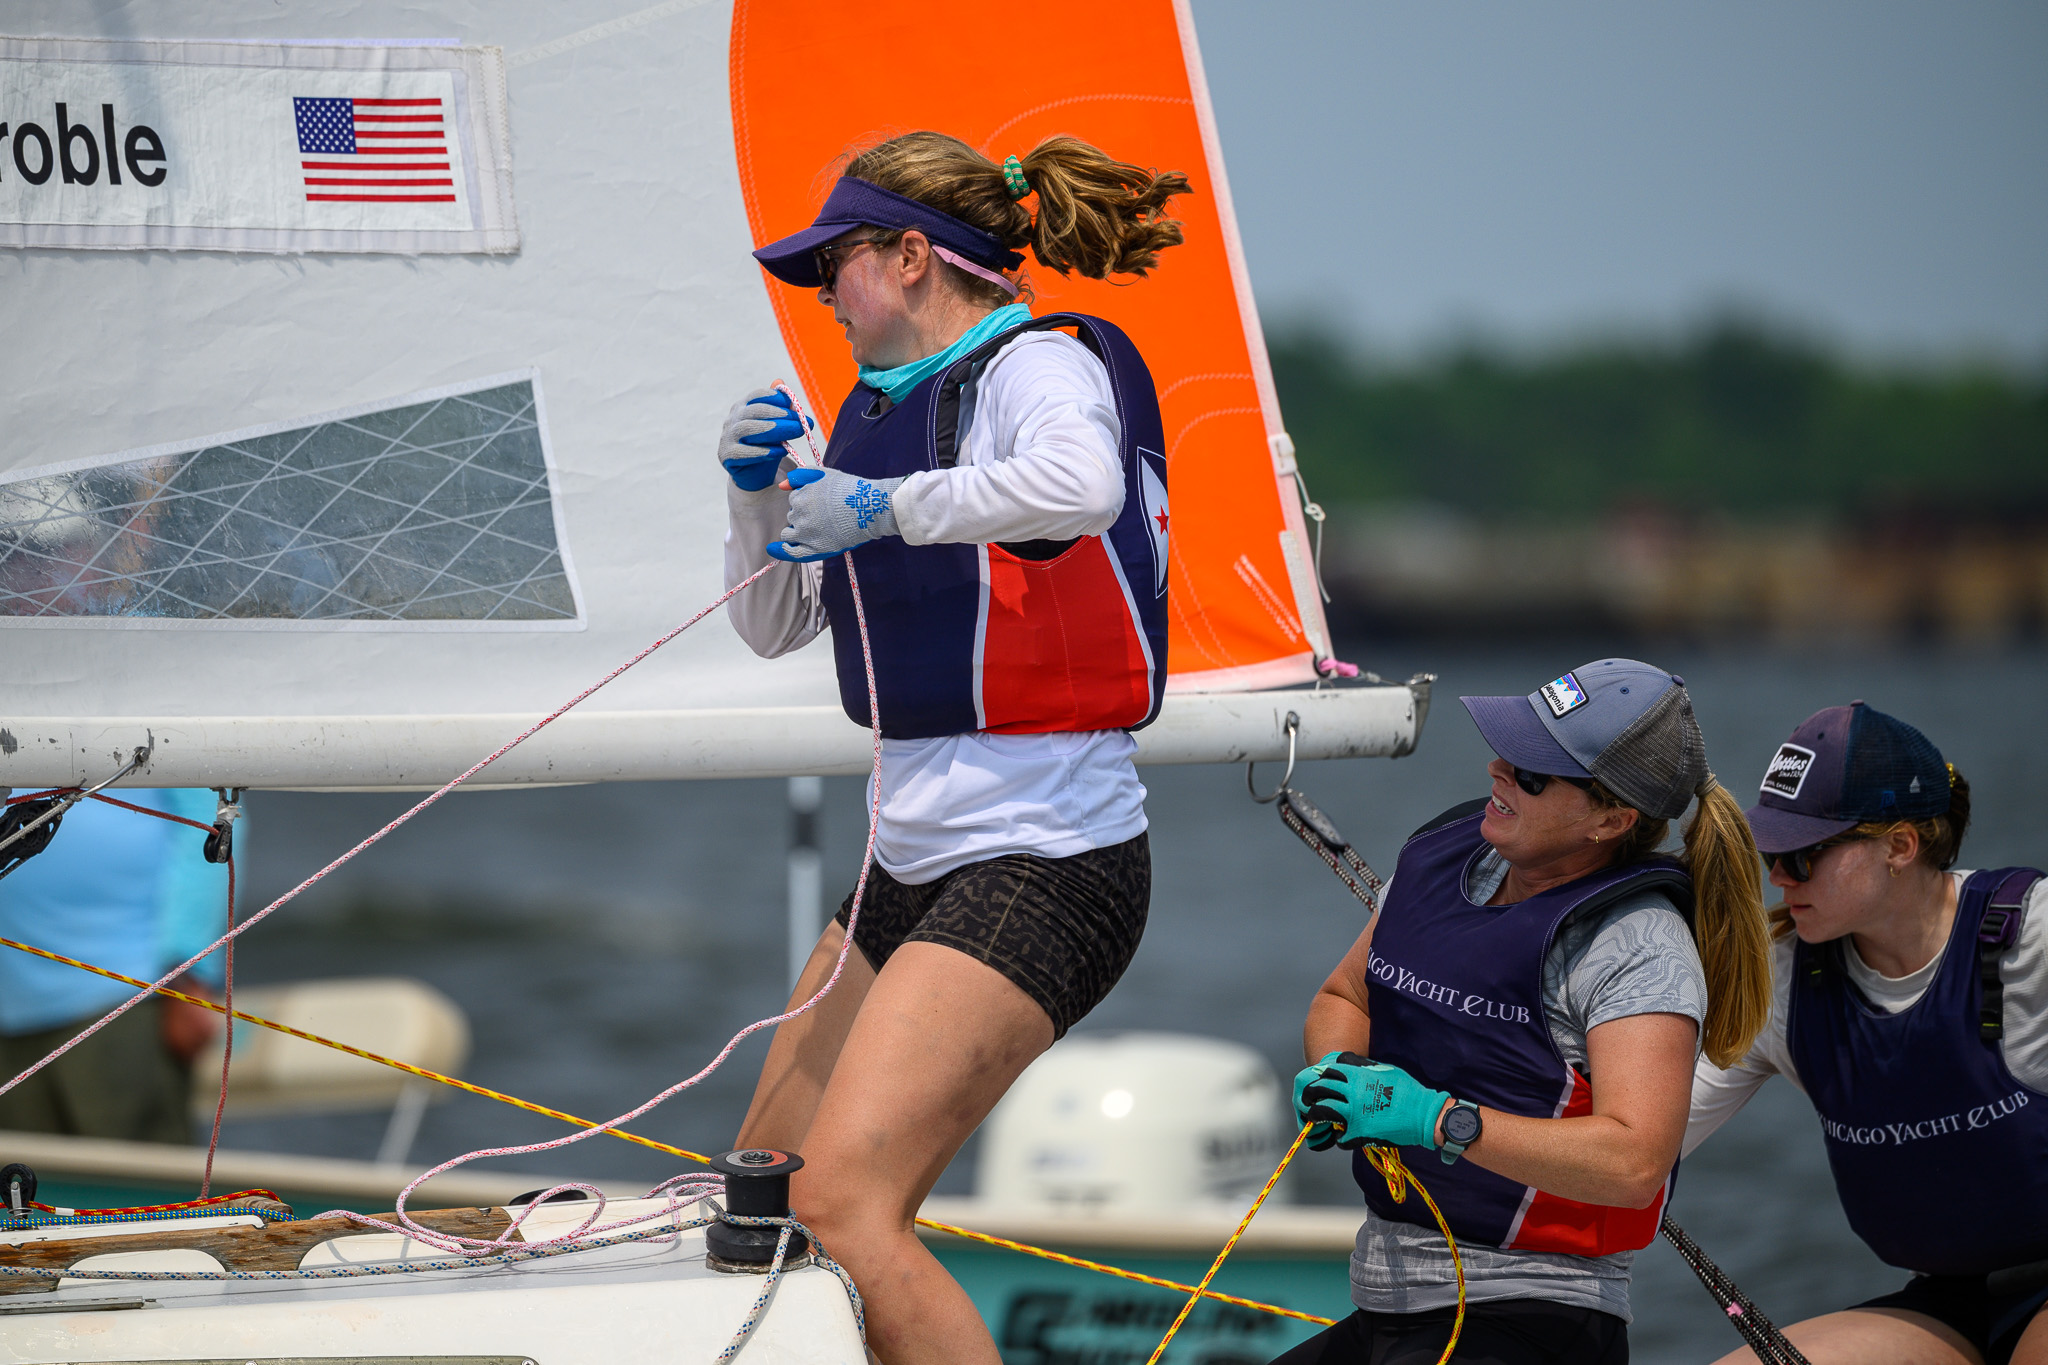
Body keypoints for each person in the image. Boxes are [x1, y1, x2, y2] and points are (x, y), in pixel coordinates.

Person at [718, 131, 1187, 1364]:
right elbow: (774, 625)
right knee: (764, 1205)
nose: (822, 294)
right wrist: (756, 499)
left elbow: (1079, 487)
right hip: (910, 866)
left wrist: (880, 507)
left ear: (913, 256)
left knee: (838, 1204)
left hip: (1047, 855)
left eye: (837, 265)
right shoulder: (870, 416)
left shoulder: (1035, 368)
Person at [1278, 659, 1774, 1365]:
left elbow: (1636, 1159)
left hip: (1533, 1317)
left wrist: (1434, 1119)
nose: (1497, 770)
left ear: (1612, 818)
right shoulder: (1442, 857)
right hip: (1388, 1302)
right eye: (1508, 747)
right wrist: (1338, 1072)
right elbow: (1345, 996)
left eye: (1533, 772)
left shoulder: (1636, 944)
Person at [1687, 702, 2048, 1365]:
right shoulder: (1786, 976)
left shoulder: (2033, 940)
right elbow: (1645, 1138)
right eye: (1772, 850)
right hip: (1949, 1305)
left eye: (1803, 853)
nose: (1778, 876)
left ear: (1899, 847)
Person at [0, 789, 231, 1143]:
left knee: (142, 1192)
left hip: (129, 995)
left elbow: (211, 815)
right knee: (20, 1191)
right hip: (10, 1008)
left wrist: (191, 971)